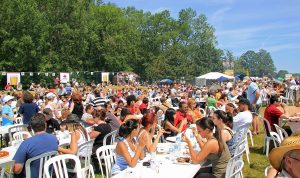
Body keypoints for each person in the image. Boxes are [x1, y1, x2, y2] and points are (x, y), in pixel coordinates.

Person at [13, 113, 58, 178]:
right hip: (48, 174)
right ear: (45, 125)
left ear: (32, 127)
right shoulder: (54, 139)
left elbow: (17, 170)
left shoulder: (26, 144)